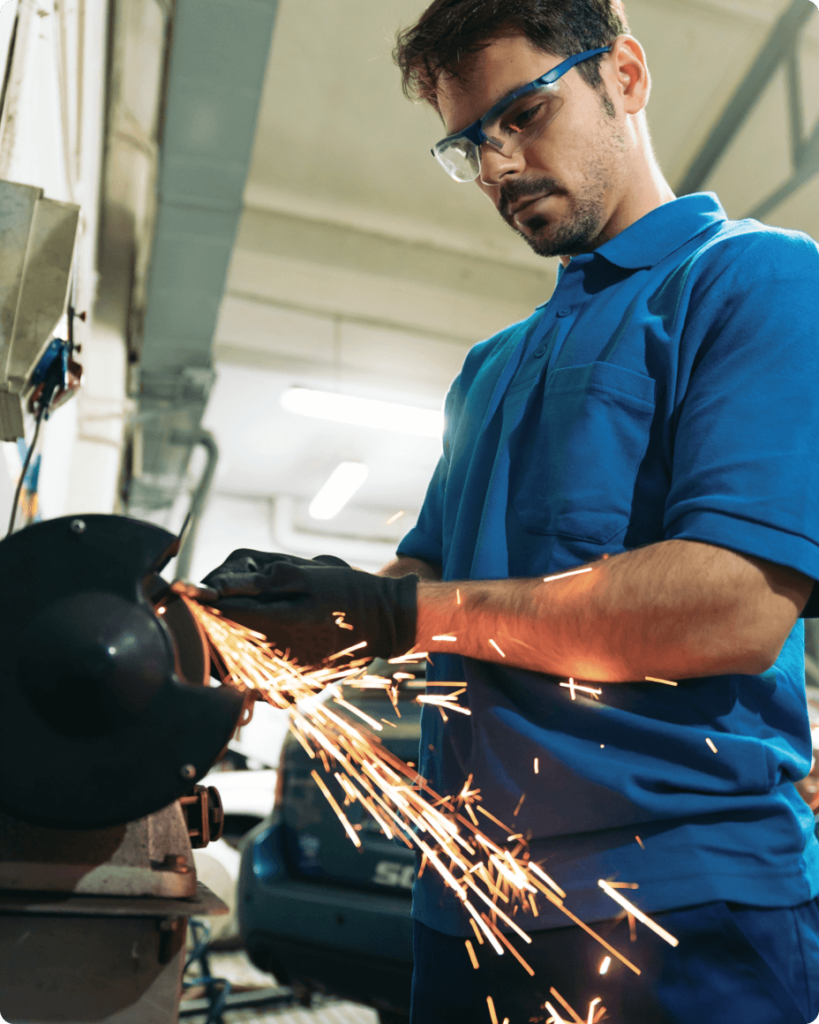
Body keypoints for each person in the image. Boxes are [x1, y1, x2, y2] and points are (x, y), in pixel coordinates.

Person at [202, 1, 819, 1020]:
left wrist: (411, 613)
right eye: (470, 143)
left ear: (625, 73)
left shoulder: (754, 283)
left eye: (524, 114)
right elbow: (423, 584)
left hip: (682, 912)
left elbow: (733, 607)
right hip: (469, 908)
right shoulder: (491, 368)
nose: (496, 167)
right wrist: (300, 616)